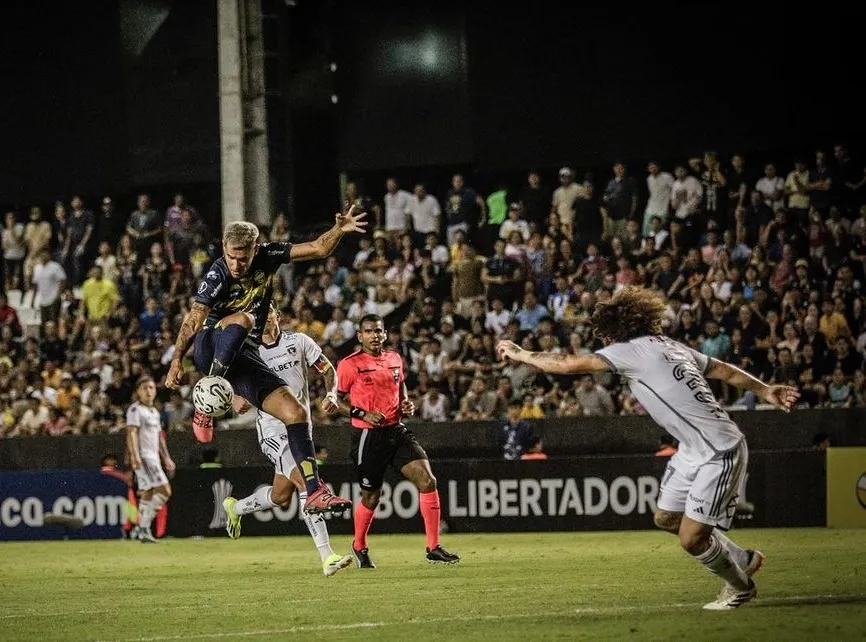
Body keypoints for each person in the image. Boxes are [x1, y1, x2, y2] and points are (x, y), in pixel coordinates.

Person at [496, 287, 799, 610]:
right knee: (667, 517)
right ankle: (742, 558)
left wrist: (521, 353)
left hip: (718, 450)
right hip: (693, 449)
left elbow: (568, 364)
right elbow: (722, 370)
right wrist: (764, 390)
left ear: (616, 329)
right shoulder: (670, 346)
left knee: (691, 538)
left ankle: (740, 586)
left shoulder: (630, 351)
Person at [164, 207, 366, 516]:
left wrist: (339, 229)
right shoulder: (216, 275)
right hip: (210, 346)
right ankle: (209, 393)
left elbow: (318, 248)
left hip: (244, 355)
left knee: (296, 412)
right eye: (231, 256)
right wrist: (177, 359)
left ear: (256, 249)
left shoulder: (269, 255)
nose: (236, 264)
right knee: (243, 318)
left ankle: (314, 492)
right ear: (223, 248)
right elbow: (193, 321)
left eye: (243, 258)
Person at [222, 306, 353, 577]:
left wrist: (331, 394)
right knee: (308, 482)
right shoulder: (250, 352)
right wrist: (235, 396)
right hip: (272, 431)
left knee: (281, 496)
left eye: (268, 312)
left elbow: (327, 368)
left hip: (301, 430)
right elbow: (228, 381)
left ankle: (236, 507)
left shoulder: (299, 341)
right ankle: (328, 557)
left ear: (277, 315)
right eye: (258, 316)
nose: (265, 318)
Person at [324, 314, 460, 568]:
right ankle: (359, 545)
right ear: (360, 336)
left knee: (428, 480)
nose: (374, 335)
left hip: (396, 430)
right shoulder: (349, 364)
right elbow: (334, 401)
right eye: (369, 331)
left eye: (378, 331)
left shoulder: (394, 358)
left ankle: (434, 547)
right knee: (371, 497)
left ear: (385, 334)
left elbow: (401, 386)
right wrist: (363, 413)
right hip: (367, 436)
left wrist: (406, 402)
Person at [126, 376, 176, 544]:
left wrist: (167, 458)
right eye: (145, 388)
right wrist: (135, 456)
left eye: (151, 388)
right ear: (138, 392)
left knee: (147, 493)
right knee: (165, 491)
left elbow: (160, 438)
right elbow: (131, 433)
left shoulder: (154, 412)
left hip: (153, 457)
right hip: (145, 457)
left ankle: (141, 531)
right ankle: (144, 527)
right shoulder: (135, 410)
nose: (148, 391)